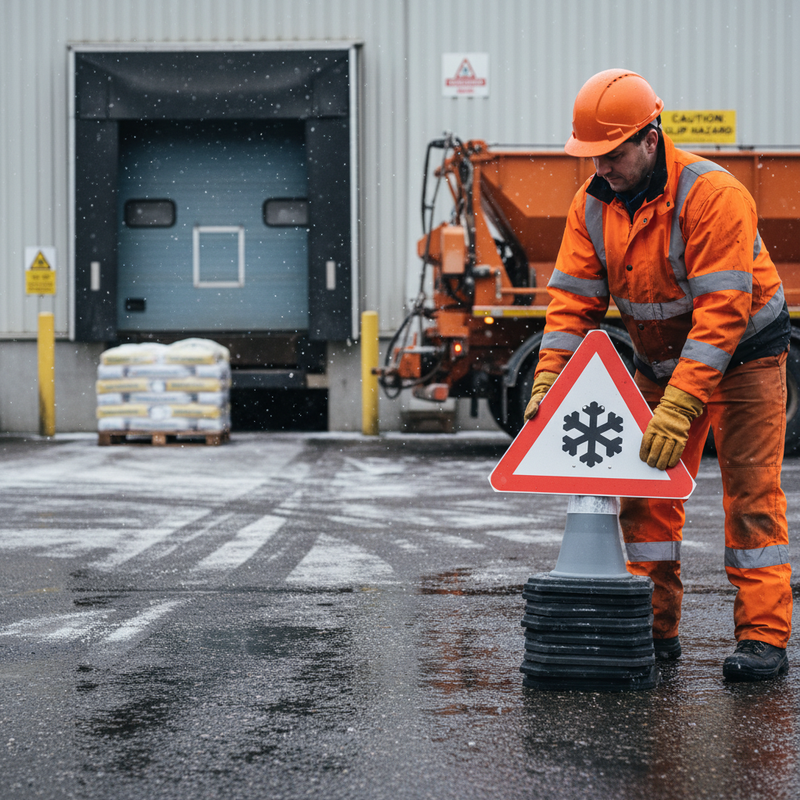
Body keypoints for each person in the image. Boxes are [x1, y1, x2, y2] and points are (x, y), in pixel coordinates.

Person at [524, 68, 792, 681]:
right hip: (660, 363)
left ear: (651, 137)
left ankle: (762, 639)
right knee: (645, 501)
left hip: (747, 361)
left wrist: (679, 406)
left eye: (612, 154)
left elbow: (723, 312)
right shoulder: (592, 204)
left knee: (751, 497)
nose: (602, 169)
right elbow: (572, 304)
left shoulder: (715, 195)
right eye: (592, 156)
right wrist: (549, 381)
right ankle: (653, 627)